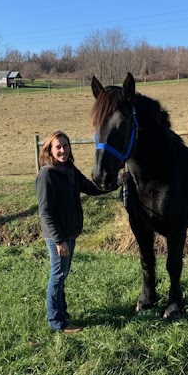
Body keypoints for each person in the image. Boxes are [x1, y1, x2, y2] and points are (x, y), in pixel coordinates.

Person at [36, 130, 108, 334]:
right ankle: (56, 321)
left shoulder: (69, 169)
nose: (62, 150)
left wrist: (117, 182)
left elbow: (90, 188)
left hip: (69, 233)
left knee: (62, 275)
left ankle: (62, 314)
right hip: (58, 236)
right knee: (57, 276)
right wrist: (59, 241)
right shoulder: (47, 174)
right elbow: (46, 212)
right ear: (49, 149)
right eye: (58, 147)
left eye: (65, 146)